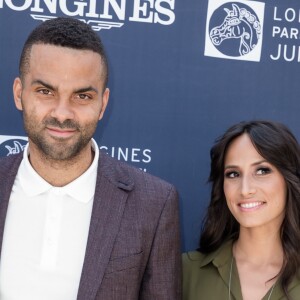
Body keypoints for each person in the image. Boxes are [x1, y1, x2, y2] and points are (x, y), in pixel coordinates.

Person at [0, 17, 181, 300]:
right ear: (19, 93)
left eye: (82, 96)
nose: (62, 113)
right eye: (45, 91)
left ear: (103, 104)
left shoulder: (153, 204)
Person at [183, 120, 300, 300]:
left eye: (262, 171)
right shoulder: (186, 271)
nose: (245, 190)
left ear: (288, 179)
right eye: (233, 174)